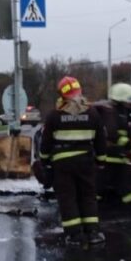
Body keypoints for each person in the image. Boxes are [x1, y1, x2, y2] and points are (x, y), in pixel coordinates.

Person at [39, 76, 107, 246]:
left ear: (62, 95)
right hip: (86, 162)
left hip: (62, 164)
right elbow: (100, 140)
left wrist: (44, 161)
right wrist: (101, 160)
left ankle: (74, 235)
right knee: (88, 196)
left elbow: (45, 143)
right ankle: (93, 233)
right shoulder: (92, 113)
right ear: (80, 91)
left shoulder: (54, 115)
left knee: (67, 198)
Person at [99, 83, 131, 211]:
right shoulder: (111, 112)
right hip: (110, 156)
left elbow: (124, 134)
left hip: (117, 156)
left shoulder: (121, 113)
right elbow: (112, 133)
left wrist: (130, 146)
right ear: (121, 99)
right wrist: (129, 145)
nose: (130, 103)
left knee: (122, 185)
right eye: (128, 100)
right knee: (104, 185)